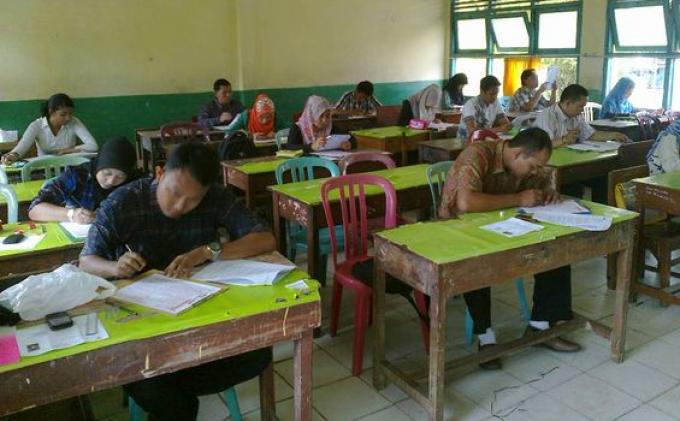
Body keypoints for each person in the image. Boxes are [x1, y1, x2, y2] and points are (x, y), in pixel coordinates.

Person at [79, 142, 275, 420]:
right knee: (174, 403)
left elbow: (265, 238)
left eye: (192, 200)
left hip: (198, 319)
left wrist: (207, 251)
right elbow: (86, 261)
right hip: (141, 331)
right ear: (160, 173)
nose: (180, 206)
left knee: (258, 354)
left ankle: (172, 383)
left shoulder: (215, 197)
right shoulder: (123, 201)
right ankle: (172, 389)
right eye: (174, 193)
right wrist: (114, 267)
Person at [438, 127, 581, 370]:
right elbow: (466, 201)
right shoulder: (478, 154)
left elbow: (540, 187)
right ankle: (486, 339)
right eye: (533, 166)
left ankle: (541, 325)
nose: (535, 171)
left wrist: (547, 194)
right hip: (458, 229)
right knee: (476, 258)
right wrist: (519, 199)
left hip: (500, 223)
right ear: (516, 154)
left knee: (554, 244)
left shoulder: (524, 165)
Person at [28, 137, 138, 224]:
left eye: (120, 177)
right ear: (98, 164)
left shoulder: (135, 183)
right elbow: (34, 210)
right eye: (107, 173)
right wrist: (72, 214)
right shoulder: (78, 175)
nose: (111, 181)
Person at [1, 93, 98, 164]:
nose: (68, 118)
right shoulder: (36, 126)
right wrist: (12, 156)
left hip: (69, 166)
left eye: (71, 113)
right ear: (51, 112)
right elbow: (21, 148)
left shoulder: (74, 122)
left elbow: (93, 146)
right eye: (63, 114)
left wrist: (67, 150)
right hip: (44, 168)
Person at [533, 84, 628, 147]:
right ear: (568, 103)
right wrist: (564, 139)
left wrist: (613, 135)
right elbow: (544, 145)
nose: (582, 110)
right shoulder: (547, 116)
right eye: (580, 106)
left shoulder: (576, 116)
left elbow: (590, 134)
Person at [286, 95, 353, 153]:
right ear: (311, 116)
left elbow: (351, 138)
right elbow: (290, 148)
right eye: (320, 116)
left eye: (327, 116)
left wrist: (349, 144)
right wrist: (311, 146)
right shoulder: (297, 128)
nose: (325, 120)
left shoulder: (329, 127)